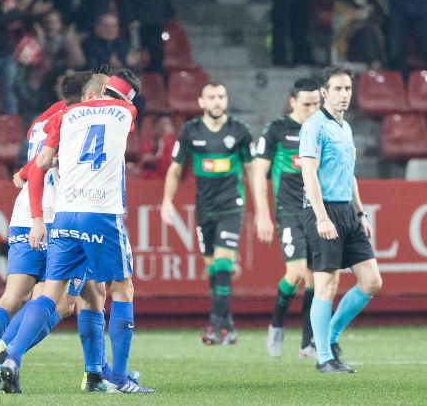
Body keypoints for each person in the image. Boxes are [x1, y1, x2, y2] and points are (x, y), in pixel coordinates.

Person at [1, 70, 153, 394]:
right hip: (101, 214)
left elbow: (40, 163)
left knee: (54, 292)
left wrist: (32, 197)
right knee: (123, 288)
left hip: (66, 215)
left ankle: (12, 357)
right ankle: (121, 379)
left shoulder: (65, 116)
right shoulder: (127, 112)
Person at [0, 70, 109, 391]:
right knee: (64, 301)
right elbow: (46, 166)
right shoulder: (78, 122)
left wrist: (25, 173)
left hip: (25, 215)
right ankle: (5, 358)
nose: (107, 97)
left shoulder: (42, 121)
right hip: (62, 217)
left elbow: (36, 166)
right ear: (89, 95)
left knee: (23, 295)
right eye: (103, 91)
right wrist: (39, 209)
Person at [299, 65, 383, 374]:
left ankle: (329, 339)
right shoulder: (314, 127)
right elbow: (309, 173)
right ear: (324, 93)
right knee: (327, 283)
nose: (344, 95)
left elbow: (350, 176)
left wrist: (360, 213)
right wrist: (321, 217)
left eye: (347, 89)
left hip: (346, 210)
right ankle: (323, 357)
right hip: (322, 211)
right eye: (337, 89)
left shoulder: (344, 128)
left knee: (372, 282)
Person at [160, 82, 254, 346]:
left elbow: (252, 168)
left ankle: (215, 325)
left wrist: (260, 204)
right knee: (213, 268)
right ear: (201, 102)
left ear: (226, 100)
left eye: (221, 96)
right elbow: (176, 168)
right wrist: (167, 201)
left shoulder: (239, 131)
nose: (216, 101)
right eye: (211, 97)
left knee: (224, 263)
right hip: (205, 208)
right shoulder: (190, 131)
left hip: (231, 205)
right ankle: (228, 324)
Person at [252, 79, 322, 359]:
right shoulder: (277, 130)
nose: (312, 109)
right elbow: (258, 173)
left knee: (316, 279)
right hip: (288, 211)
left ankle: (308, 343)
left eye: (317, 103)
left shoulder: (322, 130)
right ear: (293, 102)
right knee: (295, 273)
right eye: (307, 104)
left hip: (317, 211)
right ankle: (276, 325)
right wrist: (262, 214)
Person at [331, 0, 387, 68]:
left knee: (371, 30)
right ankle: (375, 63)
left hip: (372, 44)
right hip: (351, 45)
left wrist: (370, 14)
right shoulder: (342, 4)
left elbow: (382, 20)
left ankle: (376, 62)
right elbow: (336, 26)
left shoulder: (374, 3)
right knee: (367, 30)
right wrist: (353, 15)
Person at [139, 114, 176, 180]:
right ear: (155, 126)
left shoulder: (176, 145)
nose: (163, 127)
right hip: (154, 181)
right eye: (161, 124)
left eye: (166, 123)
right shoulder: (148, 144)